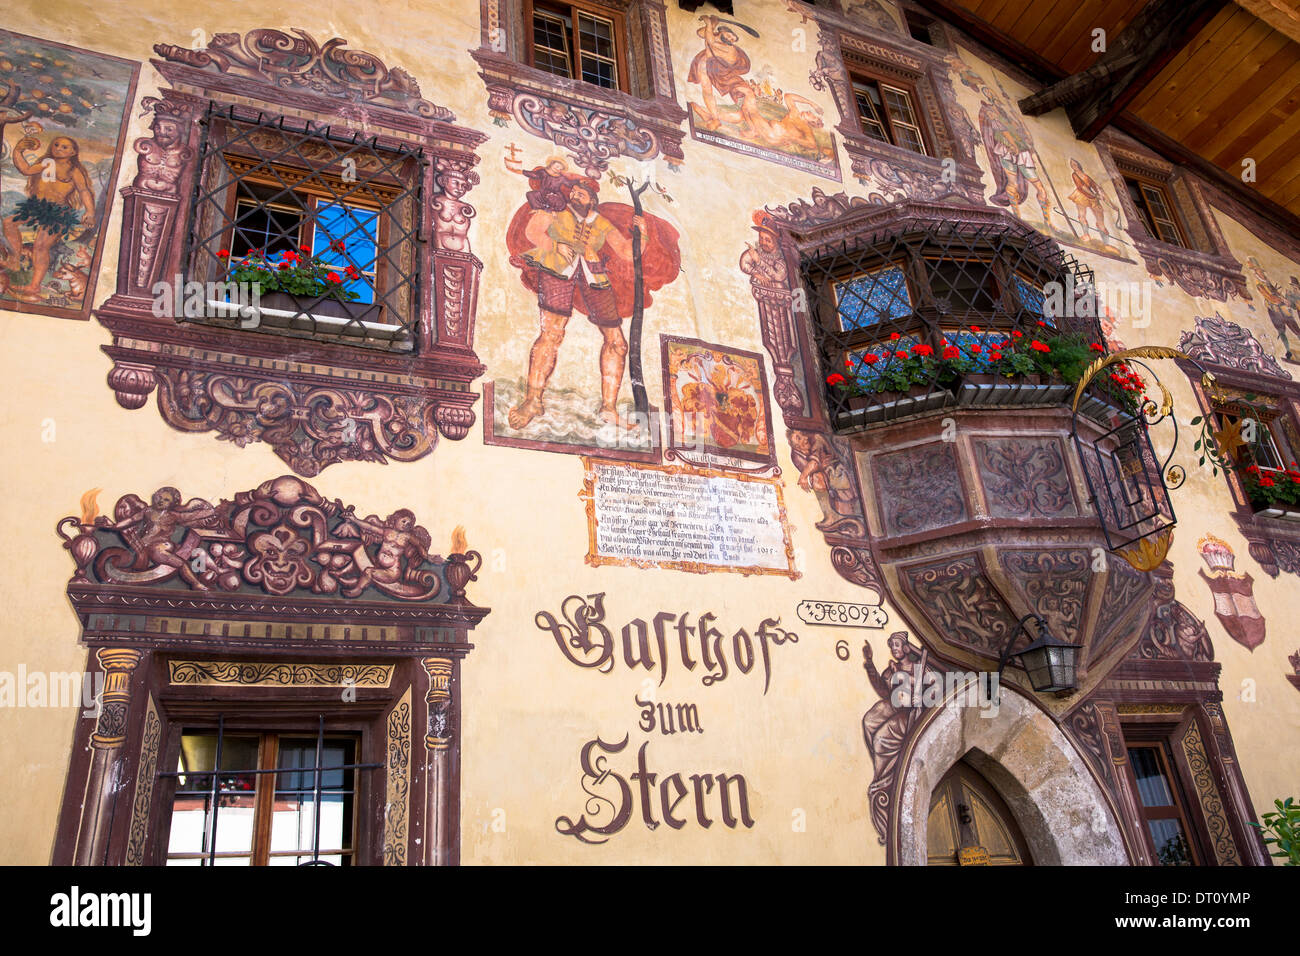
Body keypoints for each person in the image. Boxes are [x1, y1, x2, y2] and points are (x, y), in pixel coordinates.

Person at [508, 178, 644, 429]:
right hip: (558, 268)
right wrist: (554, 244)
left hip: (594, 274)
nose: (574, 197)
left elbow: (627, 251)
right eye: (573, 193)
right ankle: (533, 400)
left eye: (581, 194)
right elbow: (532, 232)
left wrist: (641, 233)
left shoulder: (601, 223)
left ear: (592, 200)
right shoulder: (556, 210)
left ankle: (609, 409)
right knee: (552, 333)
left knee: (618, 342)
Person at [2, 133, 96, 299]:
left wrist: (90, 211)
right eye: (56, 145)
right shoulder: (47, 163)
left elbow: (83, 191)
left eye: (64, 147)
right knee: (9, 222)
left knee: (40, 246)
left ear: (73, 152)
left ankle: (34, 287)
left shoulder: (73, 170)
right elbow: (26, 170)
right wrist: (18, 151)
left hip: (58, 212)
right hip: (38, 207)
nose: (58, 148)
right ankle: (15, 260)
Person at [1067, 158, 1110, 241]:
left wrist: (1105, 198)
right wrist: (1094, 194)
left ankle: (1106, 241)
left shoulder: (1086, 176)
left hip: (1092, 198)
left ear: (1079, 165)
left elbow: (1096, 186)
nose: (1073, 166)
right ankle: (1086, 235)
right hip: (1081, 196)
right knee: (1082, 216)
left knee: (1100, 220)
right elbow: (1081, 186)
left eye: (1075, 164)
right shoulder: (1074, 175)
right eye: (1072, 165)